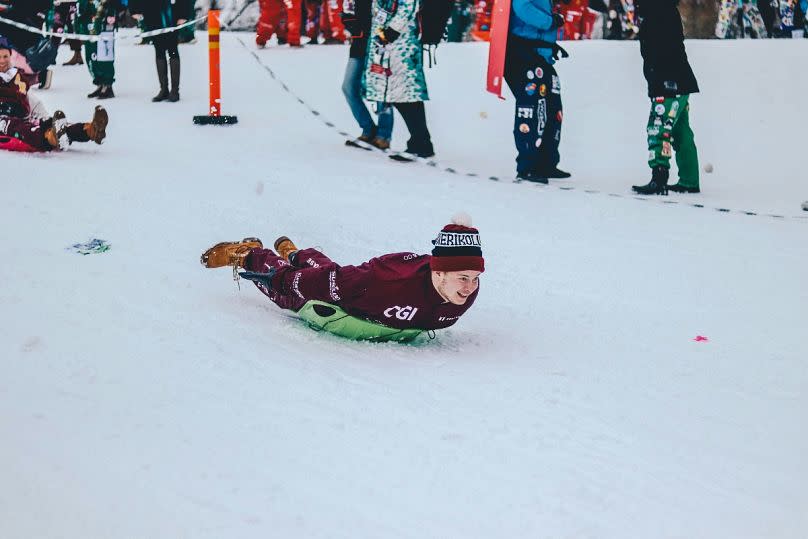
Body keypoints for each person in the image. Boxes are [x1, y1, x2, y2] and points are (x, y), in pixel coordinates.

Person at [200, 214, 485, 342]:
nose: (470, 287)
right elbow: (331, 280)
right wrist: (281, 279)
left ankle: (295, 252)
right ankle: (247, 253)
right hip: (344, 306)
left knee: (335, 276)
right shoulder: (389, 282)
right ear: (439, 273)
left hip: (355, 290)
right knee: (290, 293)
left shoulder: (461, 292)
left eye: (475, 278)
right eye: (463, 278)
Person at [632, 0, 700, 195]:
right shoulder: (663, 9)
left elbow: (661, 49)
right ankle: (689, 179)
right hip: (680, 80)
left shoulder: (658, 10)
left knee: (658, 127)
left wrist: (662, 81)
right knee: (680, 130)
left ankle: (659, 177)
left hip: (669, 82)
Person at [0, 38, 108, 151]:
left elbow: (29, 97)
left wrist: (45, 118)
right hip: (3, 120)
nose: (2, 61)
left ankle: (90, 130)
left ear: (10, 56)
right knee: (21, 128)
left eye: (5, 56)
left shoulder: (17, 77)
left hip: (23, 115)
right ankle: (51, 137)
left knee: (50, 124)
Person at [504, 0, 571, 182]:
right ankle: (528, 166)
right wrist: (549, 22)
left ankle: (546, 162)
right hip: (524, 52)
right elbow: (522, 7)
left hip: (540, 53)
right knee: (532, 109)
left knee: (552, 108)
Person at [364, 0, 435, 159]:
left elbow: (408, 5)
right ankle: (421, 141)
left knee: (405, 93)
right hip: (388, 41)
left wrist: (391, 31)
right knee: (400, 94)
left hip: (401, 43)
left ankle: (421, 143)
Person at [341, 0, 394, 149]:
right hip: (360, 43)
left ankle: (384, 135)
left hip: (381, 44)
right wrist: (352, 25)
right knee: (348, 87)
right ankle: (368, 129)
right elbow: (347, 10)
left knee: (381, 89)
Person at [129, 0, 191, 102]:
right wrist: (134, 9)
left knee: (173, 50)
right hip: (152, 12)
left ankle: (175, 90)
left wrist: (184, 13)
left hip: (171, 13)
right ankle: (164, 89)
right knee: (159, 50)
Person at [81, 0, 122, 100]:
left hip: (105, 23)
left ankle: (107, 85)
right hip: (90, 25)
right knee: (91, 56)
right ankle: (100, 83)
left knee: (105, 56)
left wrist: (111, 14)